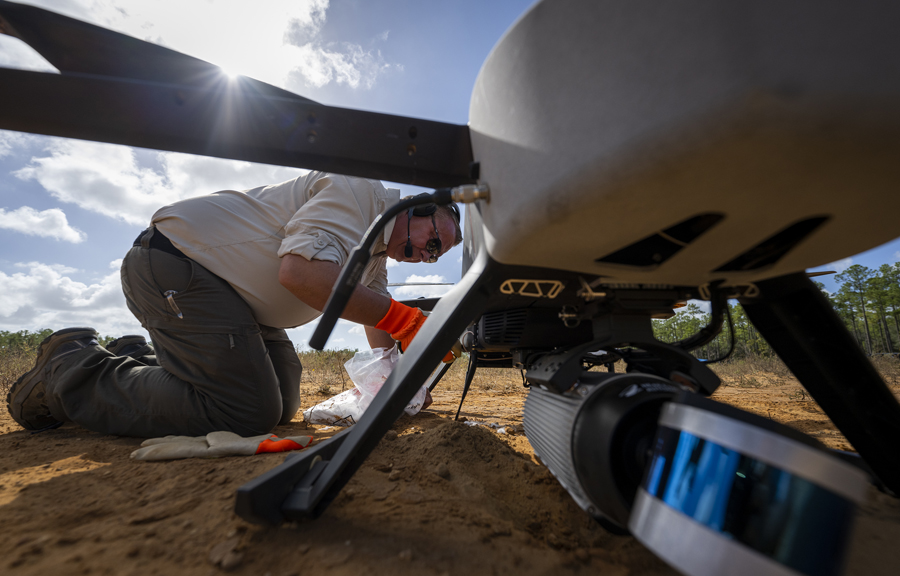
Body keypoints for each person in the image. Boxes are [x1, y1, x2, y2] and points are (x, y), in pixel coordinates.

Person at [7, 172, 462, 437]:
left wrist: (393, 380)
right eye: (433, 239)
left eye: (436, 254)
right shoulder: (359, 193)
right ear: (417, 207)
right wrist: (408, 322)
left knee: (281, 403)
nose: (428, 254)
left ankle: (136, 359)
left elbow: (376, 309)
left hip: (233, 301)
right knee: (246, 411)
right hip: (176, 265)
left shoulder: (376, 252)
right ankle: (71, 371)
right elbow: (301, 275)